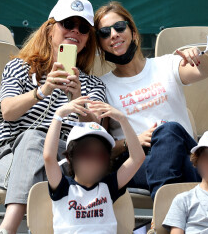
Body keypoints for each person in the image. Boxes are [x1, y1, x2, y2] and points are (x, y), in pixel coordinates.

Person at [0, 0, 106, 234]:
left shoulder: (93, 85)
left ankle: (7, 229)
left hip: (65, 158)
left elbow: (98, 128)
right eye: (67, 24)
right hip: (13, 154)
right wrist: (43, 91)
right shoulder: (20, 68)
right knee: (33, 139)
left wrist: (76, 99)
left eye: (83, 28)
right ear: (50, 29)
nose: (75, 31)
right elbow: (7, 112)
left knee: (49, 155)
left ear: (87, 40)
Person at [94, 1, 208, 200]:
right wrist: (131, 142)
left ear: (133, 31)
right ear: (100, 44)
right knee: (198, 169)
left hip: (181, 150)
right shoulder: (102, 86)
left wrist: (197, 56)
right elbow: (102, 145)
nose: (113, 34)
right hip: (138, 159)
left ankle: (161, 217)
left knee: (169, 131)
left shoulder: (166, 64)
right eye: (104, 32)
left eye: (119, 27)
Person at [44, 97, 145, 233]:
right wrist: (59, 115)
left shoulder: (108, 186)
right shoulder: (63, 188)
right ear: (69, 157)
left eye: (101, 155)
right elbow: (49, 157)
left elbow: (137, 158)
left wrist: (123, 119)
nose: (94, 161)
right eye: (86, 154)